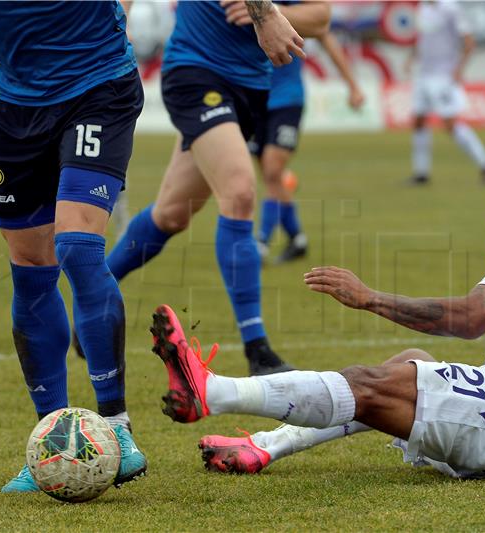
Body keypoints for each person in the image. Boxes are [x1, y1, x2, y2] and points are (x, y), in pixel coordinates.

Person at [0, 0, 305, 493]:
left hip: (97, 85)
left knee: (78, 246)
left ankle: (118, 429)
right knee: (31, 266)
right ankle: (54, 436)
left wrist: (262, 12)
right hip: (14, 104)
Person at [150, 150, 485, 478]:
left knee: (369, 384)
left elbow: (470, 319)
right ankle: (265, 446)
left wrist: (370, 297)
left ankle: (213, 392)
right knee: (409, 365)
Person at [106, 0, 329, 375]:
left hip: (251, 90)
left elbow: (321, 17)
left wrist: (273, 13)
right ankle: (258, 351)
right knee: (240, 191)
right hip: (196, 72)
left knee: (171, 214)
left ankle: (94, 292)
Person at [253, 31, 365, 264]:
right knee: (269, 176)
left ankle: (261, 243)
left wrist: (353, 86)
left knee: (273, 171)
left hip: (287, 100)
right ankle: (297, 239)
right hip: (253, 97)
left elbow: (325, 34)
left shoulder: (292, 8)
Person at [407, 0, 485, 185]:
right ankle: (421, 174)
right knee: (418, 121)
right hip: (423, 73)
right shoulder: (422, 7)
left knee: (450, 124)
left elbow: (469, 41)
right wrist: (411, 58)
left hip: (443, 74)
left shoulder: (450, 8)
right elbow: (422, 39)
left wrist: (459, 69)